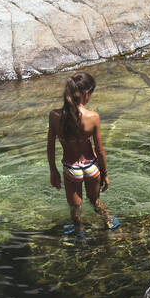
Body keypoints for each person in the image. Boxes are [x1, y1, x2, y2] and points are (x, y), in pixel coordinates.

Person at [47, 72, 118, 234]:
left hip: (71, 168)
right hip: (92, 167)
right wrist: (105, 173)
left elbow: (50, 146)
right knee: (95, 200)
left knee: (76, 208)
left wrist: (53, 171)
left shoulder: (54, 116)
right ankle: (108, 222)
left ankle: (79, 232)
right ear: (86, 93)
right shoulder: (93, 117)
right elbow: (99, 150)